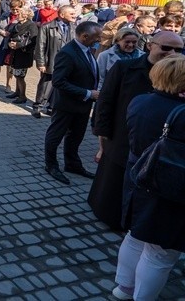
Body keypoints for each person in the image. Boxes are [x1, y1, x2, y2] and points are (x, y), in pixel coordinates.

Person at [90, 31, 184, 231]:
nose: (172, 53)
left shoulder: (179, 74)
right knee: (113, 180)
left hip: (159, 143)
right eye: (166, 48)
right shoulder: (125, 68)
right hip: (121, 136)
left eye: (178, 49)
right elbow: (105, 101)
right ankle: (109, 215)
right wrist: (102, 132)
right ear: (150, 46)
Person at [111, 54, 185, 301]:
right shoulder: (180, 113)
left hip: (138, 177)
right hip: (169, 187)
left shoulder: (140, 101)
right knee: (161, 253)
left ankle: (123, 288)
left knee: (135, 236)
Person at [43, 21, 103, 185]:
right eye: (97, 37)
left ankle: (72, 164)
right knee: (55, 136)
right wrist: (88, 93)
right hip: (66, 105)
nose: (100, 40)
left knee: (76, 136)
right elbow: (58, 82)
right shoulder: (68, 53)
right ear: (85, 36)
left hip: (82, 105)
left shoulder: (87, 50)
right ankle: (51, 165)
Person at [32, 5, 76, 118]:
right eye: (71, 13)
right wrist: (41, 63)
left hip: (67, 62)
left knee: (61, 84)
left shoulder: (74, 27)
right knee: (46, 84)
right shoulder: (47, 27)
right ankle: (38, 106)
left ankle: (51, 106)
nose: (74, 15)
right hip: (51, 61)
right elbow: (40, 46)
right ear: (62, 15)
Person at [4, 8, 38, 105]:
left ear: (25, 15)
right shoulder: (17, 24)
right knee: (16, 74)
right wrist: (11, 43)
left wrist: (18, 45)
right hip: (15, 53)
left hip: (24, 54)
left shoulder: (32, 25)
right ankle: (17, 92)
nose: (17, 15)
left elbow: (32, 40)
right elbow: (12, 35)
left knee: (20, 76)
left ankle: (22, 96)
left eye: (19, 13)